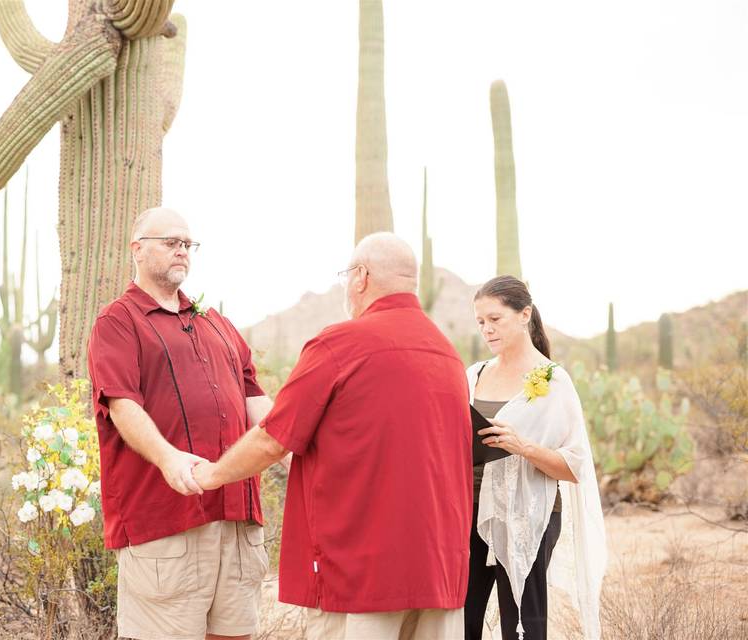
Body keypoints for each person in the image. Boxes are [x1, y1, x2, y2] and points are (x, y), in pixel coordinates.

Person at [193, 232, 473, 640]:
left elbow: (274, 440)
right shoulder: (448, 355)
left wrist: (211, 475)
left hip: (362, 574)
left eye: (347, 275)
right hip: (442, 572)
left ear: (360, 277)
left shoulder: (340, 343)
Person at [86, 207, 274, 640]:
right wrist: (168, 458)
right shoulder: (118, 321)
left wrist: (296, 450)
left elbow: (255, 399)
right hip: (167, 518)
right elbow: (121, 404)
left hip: (237, 518)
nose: (182, 251)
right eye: (171, 242)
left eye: (188, 244)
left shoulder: (217, 323)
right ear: (137, 249)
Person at [464, 275, 606, 640]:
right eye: (481, 322)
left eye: (495, 320)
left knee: (523, 626)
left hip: (529, 517)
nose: (487, 330)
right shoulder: (473, 375)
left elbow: (575, 467)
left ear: (524, 313)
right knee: (461, 622)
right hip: (469, 514)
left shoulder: (553, 382)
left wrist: (522, 446)